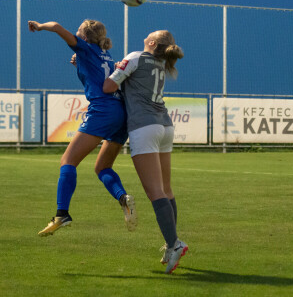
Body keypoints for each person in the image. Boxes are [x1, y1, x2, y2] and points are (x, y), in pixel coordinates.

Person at [28, 19, 137, 237]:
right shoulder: (105, 55)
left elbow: (58, 27)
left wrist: (40, 26)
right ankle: (123, 198)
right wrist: (79, 62)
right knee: (102, 167)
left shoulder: (84, 48)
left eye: (78, 32)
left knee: (68, 161)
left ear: (84, 37)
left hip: (102, 111)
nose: (76, 35)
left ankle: (62, 214)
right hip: (121, 113)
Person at [103, 30, 186, 274]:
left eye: (148, 36)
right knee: (166, 190)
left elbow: (108, 87)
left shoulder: (136, 57)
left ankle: (174, 244)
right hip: (165, 125)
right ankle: (172, 244)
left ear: (152, 42)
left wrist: (115, 70)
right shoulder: (161, 62)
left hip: (144, 127)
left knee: (155, 192)